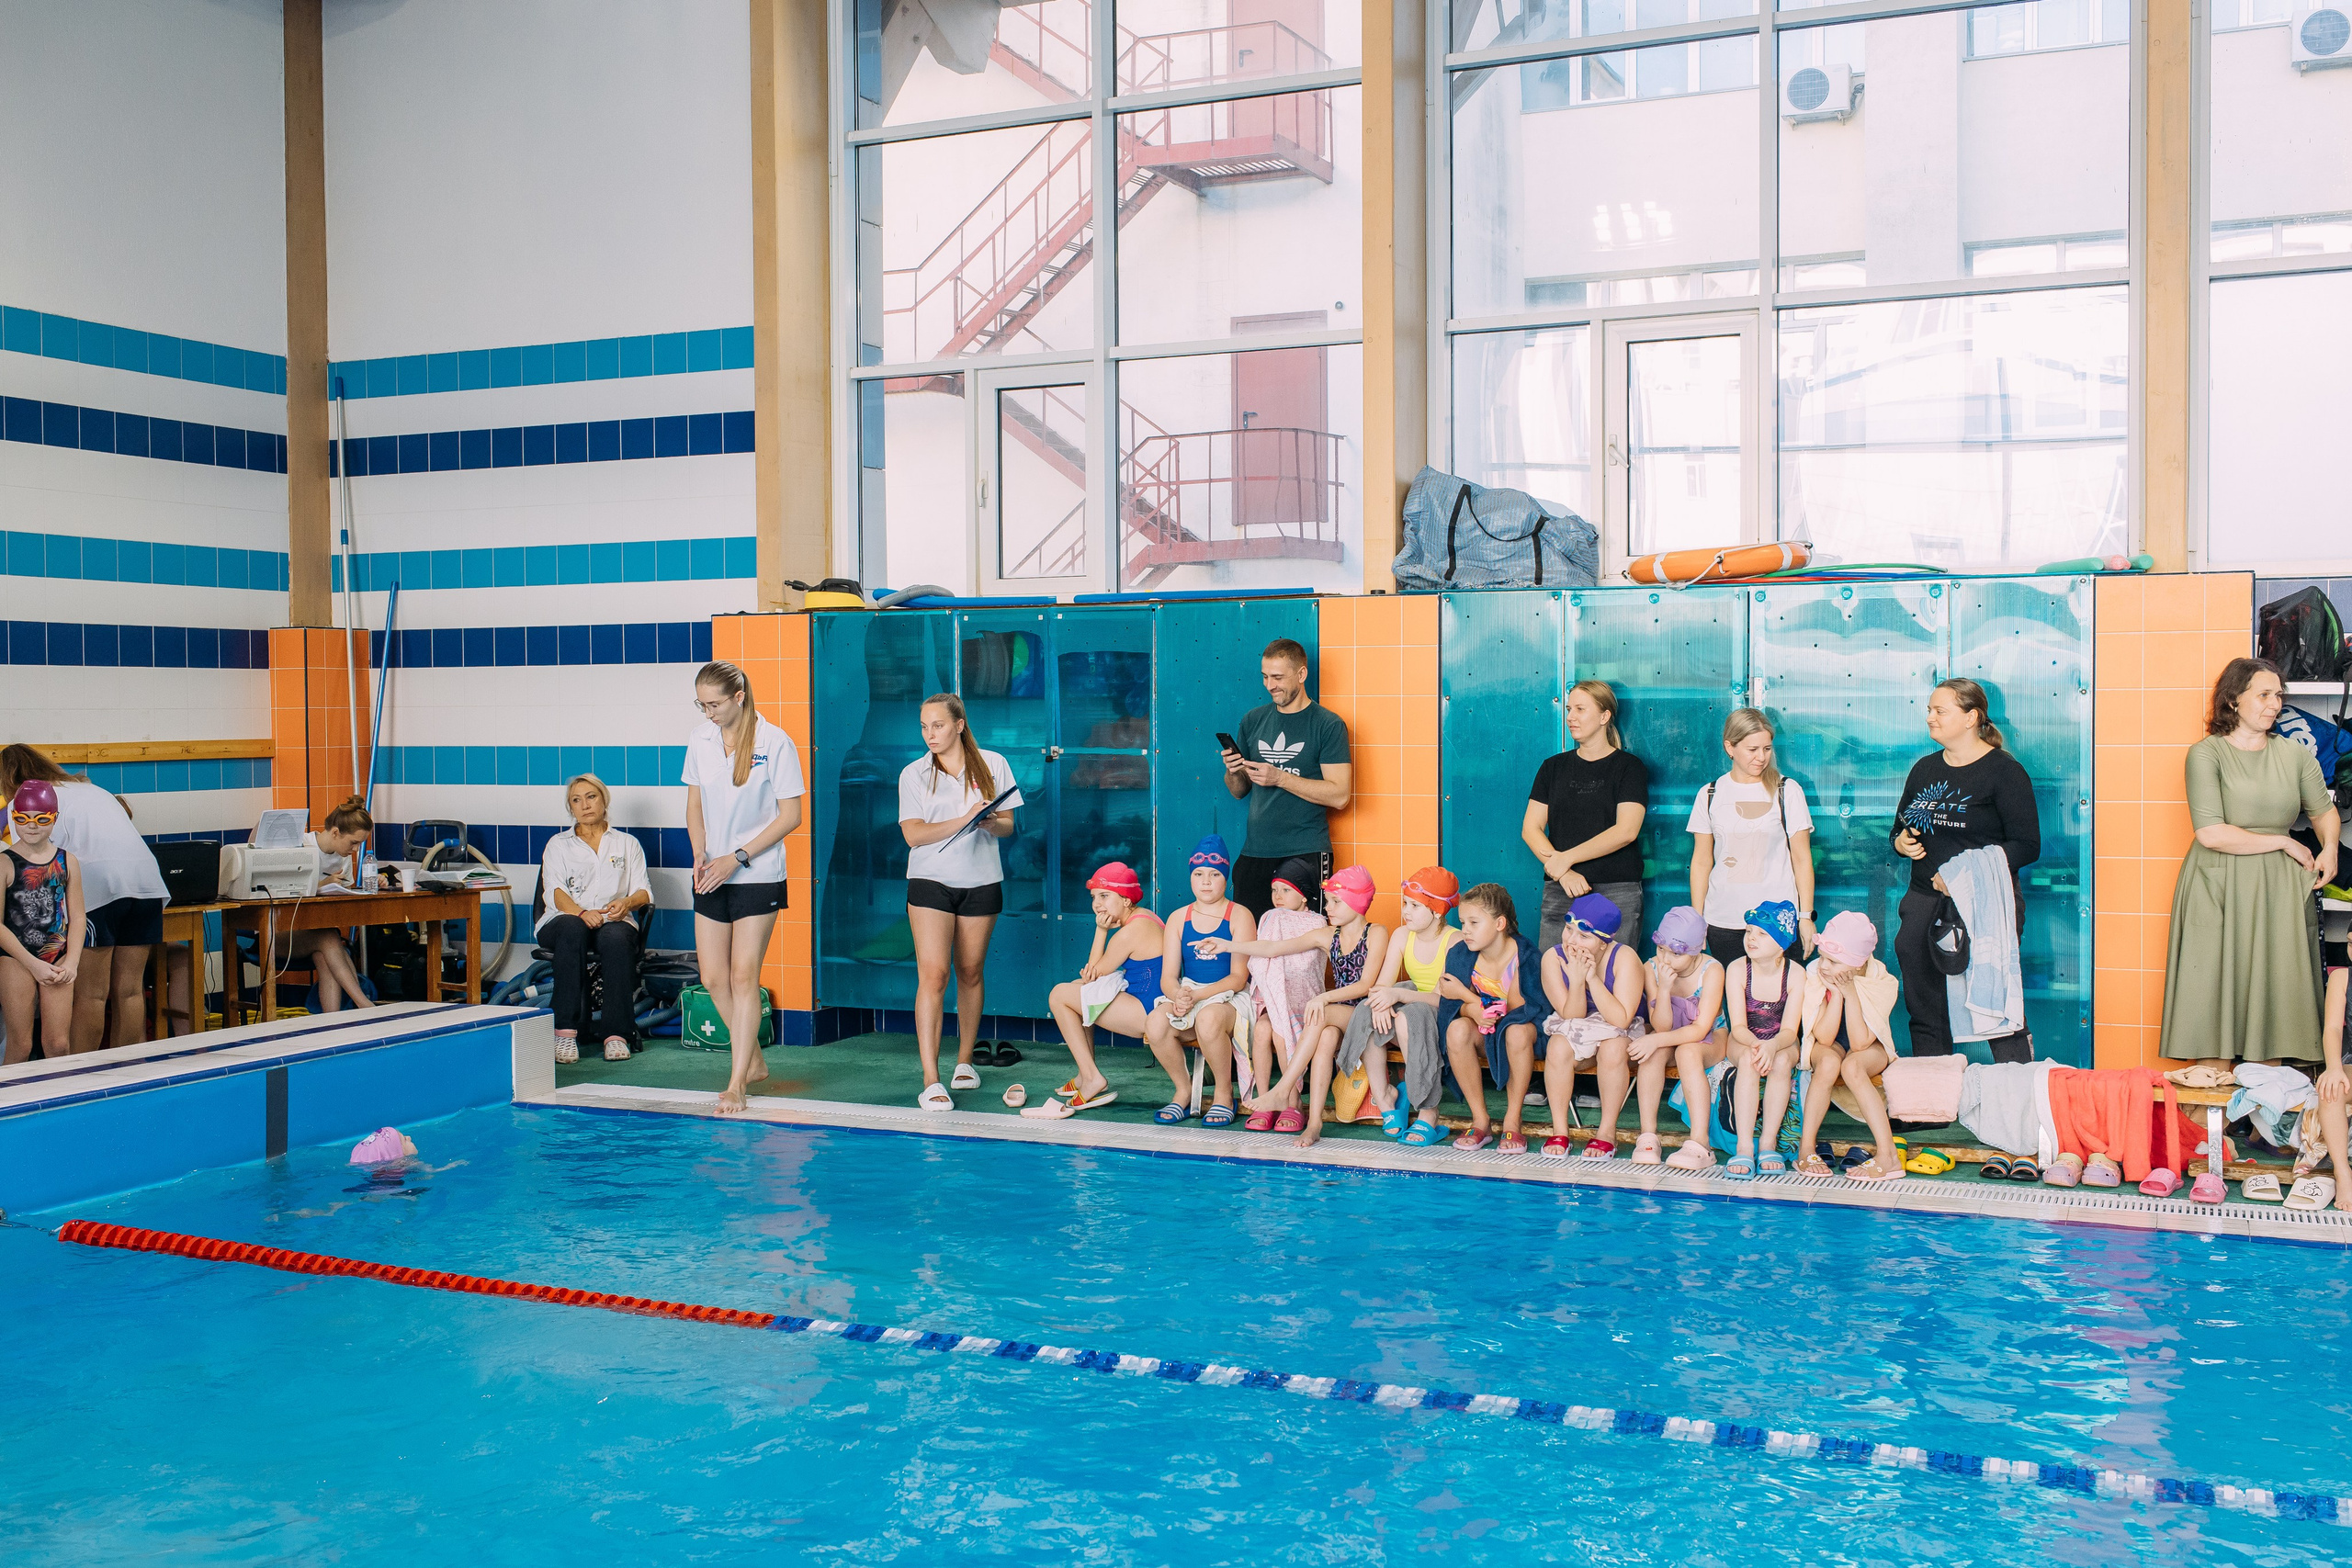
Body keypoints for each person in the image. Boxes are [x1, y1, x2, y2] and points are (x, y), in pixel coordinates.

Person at [2160, 657, 2341, 1067]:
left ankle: (2260, 1129)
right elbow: (2211, 834)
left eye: (2278, 694)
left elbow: (2323, 811)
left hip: (2276, 891)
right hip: (2216, 886)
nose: (2274, 703)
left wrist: (2329, 846)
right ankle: (2209, 1133)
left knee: (2273, 1027)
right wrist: (2284, 842)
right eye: (2264, 694)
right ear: (2234, 701)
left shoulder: (2294, 756)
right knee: (2211, 1029)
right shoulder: (2206, 755)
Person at [1890, 678, 2041, 1062]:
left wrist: (1961, 876)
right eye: (1929, 710)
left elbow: (2027, 845)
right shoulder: (1924, 769)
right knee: (1924, 1002)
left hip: (1983, 904)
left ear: (1971, 717)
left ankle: (2018, 1100)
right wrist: (1899, 842)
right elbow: (1900, 824)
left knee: (1996, 1000)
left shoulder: (2004, 772)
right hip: (1924, 899)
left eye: (1940, 711)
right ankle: (1930, 1104)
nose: (1930, 718)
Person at [684, 660, 805, 1115]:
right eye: (701, 704)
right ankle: (752, 1060)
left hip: (756, 872)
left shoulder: (775, 742)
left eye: (714, 704)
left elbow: (790, 816)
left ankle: (737, 1084)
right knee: (713, 976)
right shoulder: (700, 739)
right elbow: (694, 803)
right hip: (711, 870)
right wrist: (700, 852)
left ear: (739, 697)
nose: (707, 712)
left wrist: (737, 857)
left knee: (742, 976)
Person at [0, 745, 168, 1051]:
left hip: (99, 885)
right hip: (147, 882)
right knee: (130, 991)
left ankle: (81, 1078)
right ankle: (126, 1074)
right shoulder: (92, 789)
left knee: (92, 994)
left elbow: (18, 860)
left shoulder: (28, 801)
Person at [899, 693, 1021, 1110]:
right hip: (930, 880)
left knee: (970, 972)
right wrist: (965, 818)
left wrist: (989, 822)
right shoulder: (913, 773)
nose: (930, 734)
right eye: (924, 727)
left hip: (982, 881)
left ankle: (965, 1061)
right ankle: (931, 1079)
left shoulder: (993, 763)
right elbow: (914, 835)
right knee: (934, 976)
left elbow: (1008, 827)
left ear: (959, 725)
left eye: (938, 725)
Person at [1213, 863, 1389, 1149]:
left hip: (1367, 1012)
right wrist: (1228, 945)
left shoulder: (1376, 932)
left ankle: (1284, 1089)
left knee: (1319, 1014)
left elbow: (1365, 985)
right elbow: (1272, 948)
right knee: (1325, 1037)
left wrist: (1323, 997)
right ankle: (1315, 1122)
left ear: (1356, 903)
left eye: (1335, 902)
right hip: (1340, 1017)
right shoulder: (1328, 935)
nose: (1328, 907)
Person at [1221, 637, 1351, 917]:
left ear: (1302, 674)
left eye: (1278, 677)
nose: (1270, 685)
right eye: (1265, 677)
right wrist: (1233, 771)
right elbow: (1238, 791)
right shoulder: (1253, 720)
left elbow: (1340, 795)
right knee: (1251, 943)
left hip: (1305, 851)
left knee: (1303, 948)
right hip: (1255, 852)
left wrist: (1280, 778)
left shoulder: (1328, 725)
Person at [1339, 865, 1459, 1148]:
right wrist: (1382, 1002)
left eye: (1415, 906)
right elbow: (1381, 987)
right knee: (1369, 1010)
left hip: (1443, 1015)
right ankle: (1385, 1098)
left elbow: (1446, 1000)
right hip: (1414, 1008)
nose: (1406, 911)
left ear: (1438, 911)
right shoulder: (1403, 935)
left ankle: (1429, 1112)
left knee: (1408, 1017)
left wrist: (1397, 996)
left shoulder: (1453, 941)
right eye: (1405, 903)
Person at [1522, 679, 1649, 949]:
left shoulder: (1629, 768)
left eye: (1580, 709)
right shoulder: (1552, 767)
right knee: (1553, 972)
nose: (1570, 717)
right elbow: (1531, 829)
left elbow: (1626, 832)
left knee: (1614, 977)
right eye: (1569, 709)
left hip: (1617, 891)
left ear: (1605, 716)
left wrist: (1565, 859)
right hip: (1561, 890)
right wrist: (1564, 873)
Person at [537, 773, 650, 1065]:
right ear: (571, 808)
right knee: (573, 928)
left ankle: (616, 1036)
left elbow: (644, 891)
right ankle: (564, 1033)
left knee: (615, 937)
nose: (585, 805)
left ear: (604, 800)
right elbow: (554, 891)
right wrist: (580, 912)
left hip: (612, 921)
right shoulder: (559, 845)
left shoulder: (627, 844)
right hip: (565, 920)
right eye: (577, 800)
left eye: (591, 797)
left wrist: (626, 903)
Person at [1687, 710, 1815, 966]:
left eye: (1767, 748)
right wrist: (1698, 920)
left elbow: (1802, 859)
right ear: (1730, 747)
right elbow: (1701, 861)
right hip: (1723, 919)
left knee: (1783, 1002)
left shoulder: (1787, 790)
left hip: (1778, 922)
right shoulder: (1710, 793)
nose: (1761, 757)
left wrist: (1805, 917)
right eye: (1752, 749)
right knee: (1733, 999)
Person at [1030, 862, 1156, 1121]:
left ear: (1126, 899)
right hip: (1149, 1001)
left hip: (1147, 1013)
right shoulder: (1145, 917)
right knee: (1074, 991)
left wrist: (1100, 931)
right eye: (1094, 897)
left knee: (1059, 995)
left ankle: (1092, 1078)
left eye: (1105, 896)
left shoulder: (1129, 932)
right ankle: (1083, 1072)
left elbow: (1093, 976)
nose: (1097, 904)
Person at [1144, 837, 1256, 1126]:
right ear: (1191, 878)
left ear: (1226, 878)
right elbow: (1168, 977)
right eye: (1198, 874)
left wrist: (1199, 996)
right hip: (1190, 991)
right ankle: (1182, 1090)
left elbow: (1238, 977)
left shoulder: (1239, 916)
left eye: (1214, 874)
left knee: (1208, 1019)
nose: (1206, 882)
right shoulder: (1177, 919)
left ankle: (1223, 1093)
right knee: (1155, 1022)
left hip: (1230, 998)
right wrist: (1178, 995)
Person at [1536, 893, 1651, 1161]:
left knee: (1612, 1050)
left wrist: (1592, 979)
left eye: (1584, 936)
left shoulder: (1625, 958)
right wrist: (1576, 982)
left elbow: (1621, 1019)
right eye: (1568, 930)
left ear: (1604, 943)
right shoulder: (1553, 959)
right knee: (1557, 1045)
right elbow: (1570, 1015)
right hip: (1578, 1025)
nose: (1571, 941)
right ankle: (1560, 1130)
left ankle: (1606, 1132)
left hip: (1620, 1029)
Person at [1794, 911, 1905, 1182]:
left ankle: (1888, 1155)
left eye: (1833, 961)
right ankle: (1806, 1147)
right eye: (1822, 958)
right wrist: (1836, 997)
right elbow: (1824, 1037)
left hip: (1869, 1044)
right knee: (1831, 1062)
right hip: (1830, 1040)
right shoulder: (1816, 974)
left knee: (1853, 1065)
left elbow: (1860, 1042)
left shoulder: (1882, 981)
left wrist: (1850, 993)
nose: (1824, 966)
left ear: (1857, 965)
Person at [1440, 883, 1548, 1153]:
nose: (1464, 929)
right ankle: (1481, 1120)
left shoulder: (1526, 956)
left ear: (1500, 923)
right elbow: (1449, 1008)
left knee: (1516, 1031)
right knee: (1456, 1030)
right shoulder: (1460, 955)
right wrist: (1470, 1008)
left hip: (1523, 1035)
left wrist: (1470, 998)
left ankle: (1513, 1121)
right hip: (1484, 1028)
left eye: (1474, 922)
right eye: (1463, 922)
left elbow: (1516, 1011)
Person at [1, 780, 84, 1064]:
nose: (32, 826)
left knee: (58, 1045)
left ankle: (62, 1106)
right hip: (16, 959)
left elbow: (78, 916)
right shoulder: (4, 864)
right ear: (14, 818)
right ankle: (8, 1106)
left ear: (55, 819)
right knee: (21, 1045)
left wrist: (71, 960)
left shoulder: (67, 860)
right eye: (23, 819)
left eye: (41, 819)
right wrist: (32, 964)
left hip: (58, 957)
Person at [1724, 900, 1803, 1179]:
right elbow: (1738, 1027)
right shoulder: (1736, 969)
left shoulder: (1795, 974)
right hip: (1745, 1038)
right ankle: (1744, 1146)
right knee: (1748, 1060)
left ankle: (1768, 1143)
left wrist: (1771, 1045)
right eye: (1749, 932)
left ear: (1781, 945)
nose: (1751, 939)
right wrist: (1758, 1046)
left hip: (1781, 1039)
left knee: (1781, 1062)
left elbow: (1791, 1031)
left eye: (1762, 934)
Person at [1650, 906, 1732, 1172]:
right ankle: (1648, 1136)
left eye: (1676, 953)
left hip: (1711, 1038)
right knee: (1651, 1055)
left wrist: (1654, 1040)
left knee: (1686, 1051)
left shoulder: (1712, 970)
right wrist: (1663, 989)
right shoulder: (1650, 968)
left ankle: (1700, 1143)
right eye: (1661, 949)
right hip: (1670, 1034)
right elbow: (1661, 1027)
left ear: (1696, 950)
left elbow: (1700, 1030)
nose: (1665, 959)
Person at [2312, 966, 2352, 1211]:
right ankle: (2343, 1173)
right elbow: (2333, 1029)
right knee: (2331, 1090)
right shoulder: (2342, 977)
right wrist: (2334, 1067)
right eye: (2350, 943)